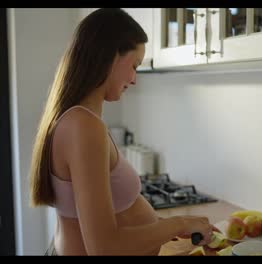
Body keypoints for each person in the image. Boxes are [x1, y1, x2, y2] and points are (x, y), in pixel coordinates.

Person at [29, 8, 215, 256]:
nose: (135, 79)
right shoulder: (84, 126)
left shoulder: (77, 120)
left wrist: (163, 228)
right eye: (135, 65)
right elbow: (104, 248)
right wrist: (179, 222)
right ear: (111, 56)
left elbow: (113, 219)